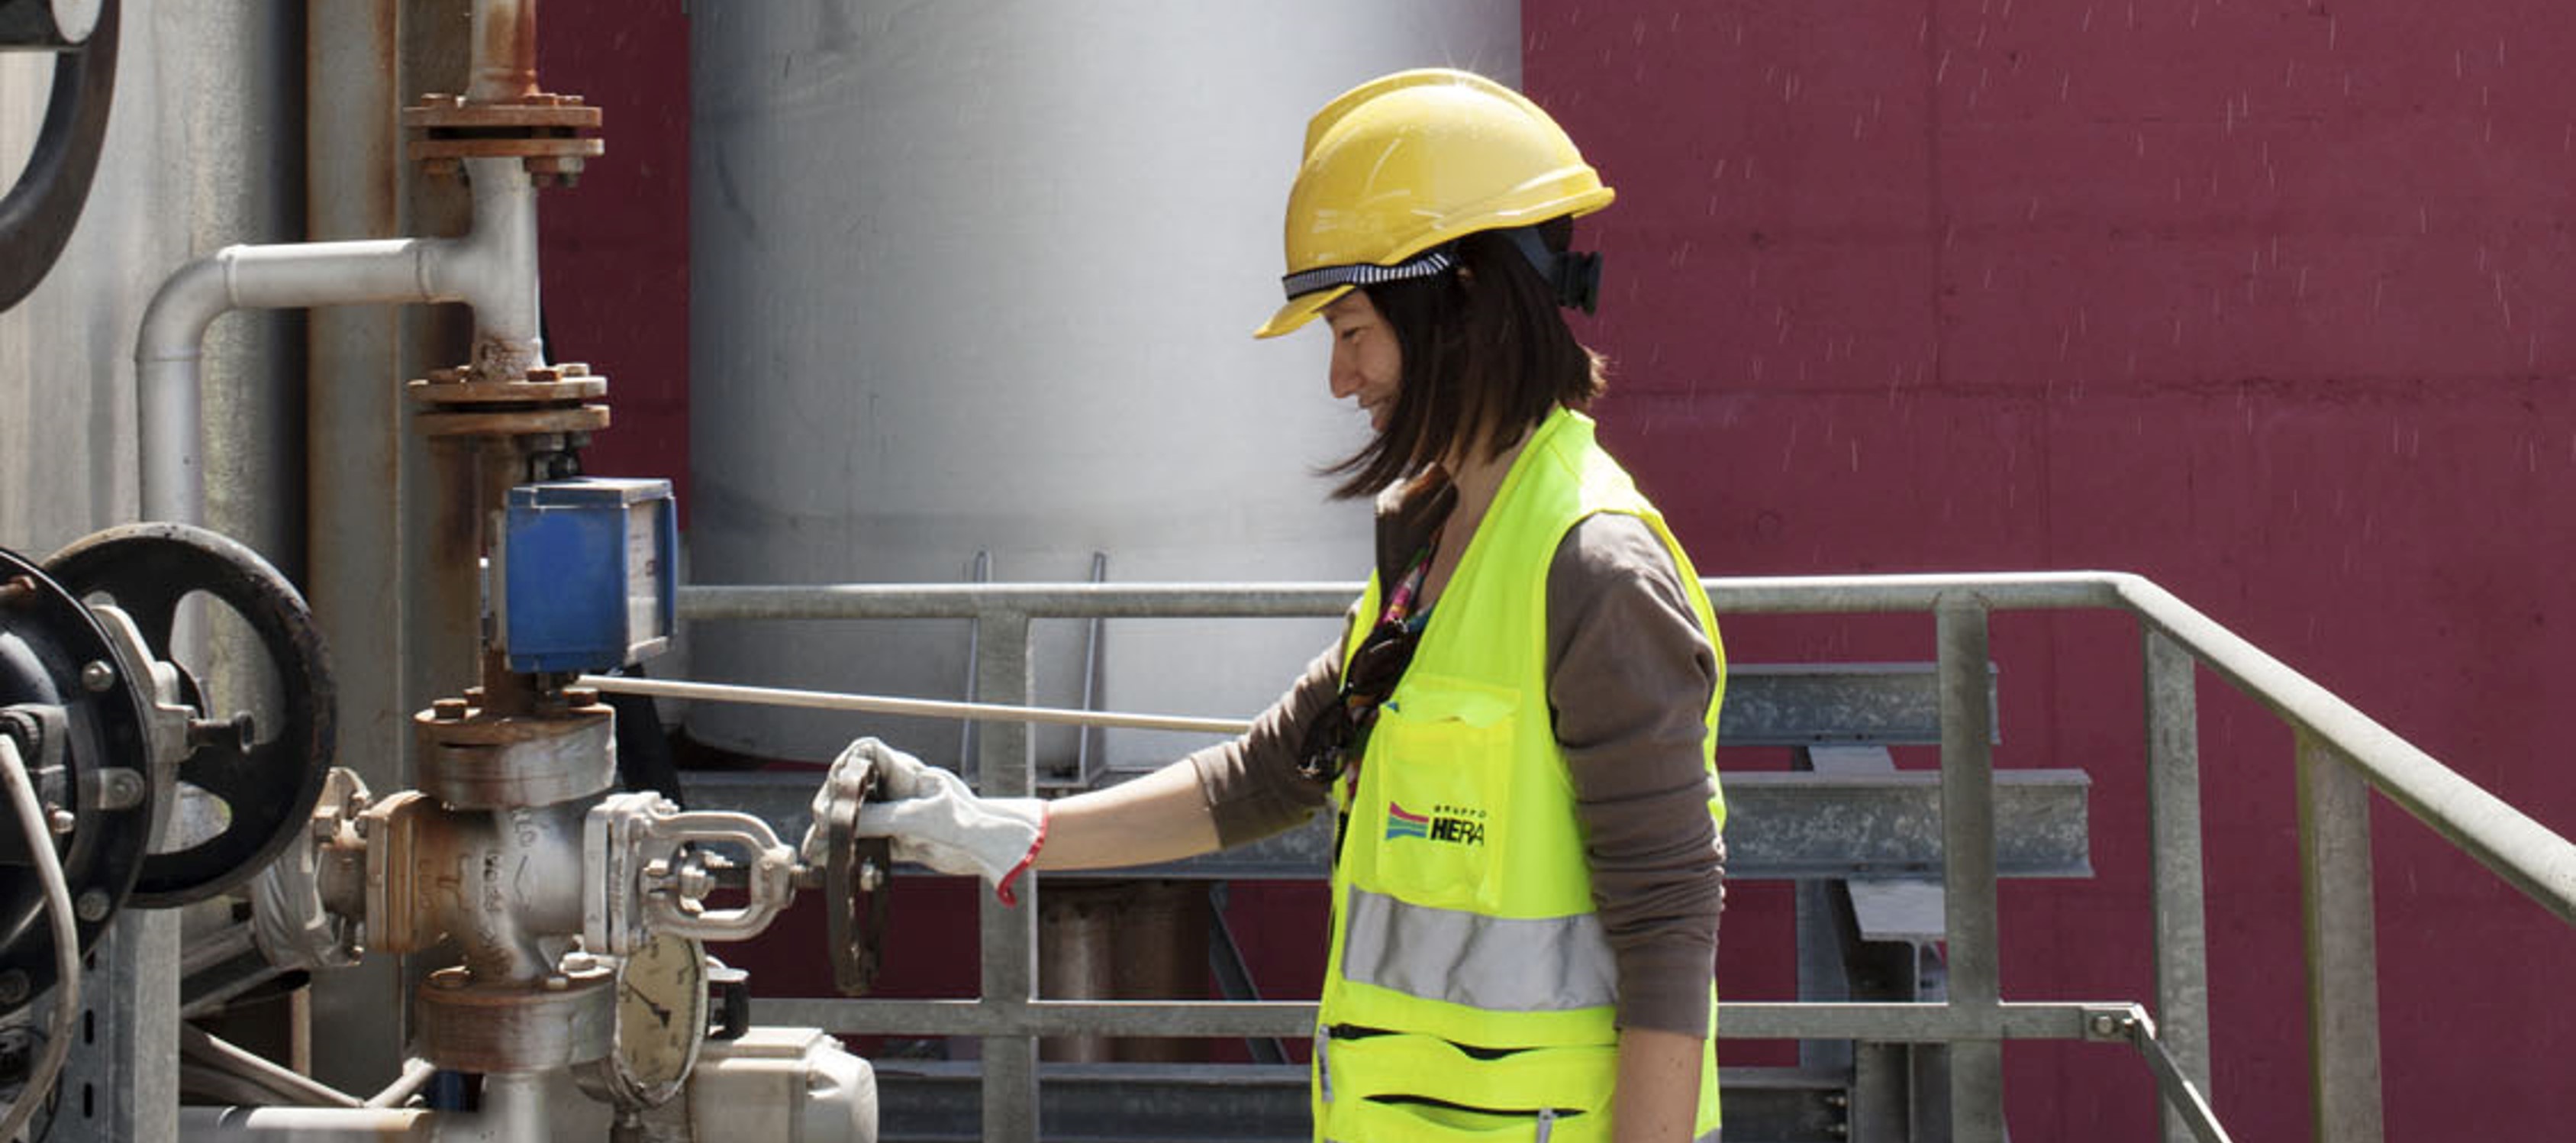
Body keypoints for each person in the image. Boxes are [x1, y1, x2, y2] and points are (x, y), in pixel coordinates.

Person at [817, 68, 1726, 1143]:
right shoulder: (1433, 538)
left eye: (1352, 328)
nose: (1342, 378)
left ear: (1463, 297)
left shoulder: (1597, 571)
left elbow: (1670, 928)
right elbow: (1272, 771)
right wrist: (1005, 829)